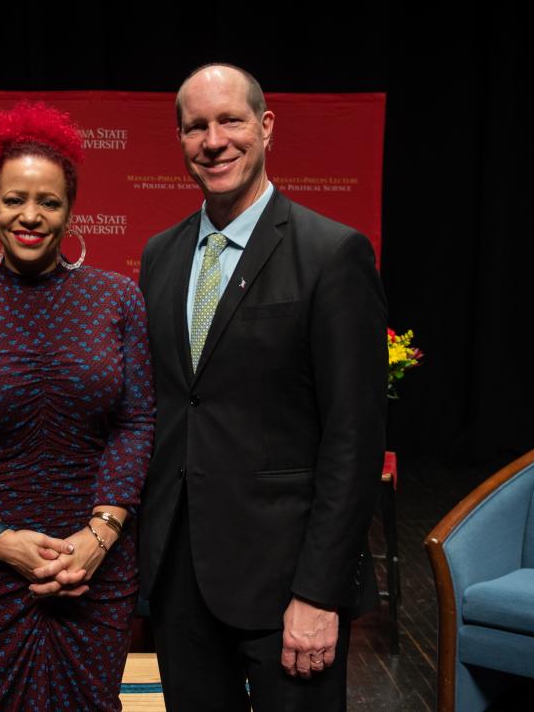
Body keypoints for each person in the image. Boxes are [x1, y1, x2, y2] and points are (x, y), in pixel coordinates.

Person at [138, 63, 387, 711]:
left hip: (285, 589)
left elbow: (352, 441)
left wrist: (318, 593)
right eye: (195, 127)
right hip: (180, 581)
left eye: (229, 121)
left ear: (265, 127)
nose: (213, 141)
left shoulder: (332, 254)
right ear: (179, 140)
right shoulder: (159, 256)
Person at [0, 101, 155, 711]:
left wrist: (99, 535)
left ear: (71, 211)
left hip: (93, 561)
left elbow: (137, 421)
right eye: (14, 199)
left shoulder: (119, 298)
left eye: (49, 202)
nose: (31, 216)